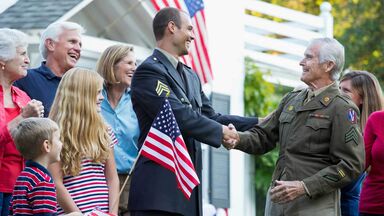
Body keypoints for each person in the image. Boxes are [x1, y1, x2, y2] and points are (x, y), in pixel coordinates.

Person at [129, 7, 259, 216]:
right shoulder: (148, 71)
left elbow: (212, 117)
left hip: (188, 196)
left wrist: (259, 122)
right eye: (189, 29)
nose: (193, 35)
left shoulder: (191, 76)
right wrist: (223, 133)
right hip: (158, 195)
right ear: (172, 27)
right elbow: (178, 114)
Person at [228, 38, 365, 215]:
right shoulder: (292, 99)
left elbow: (351, 165)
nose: (301, 62)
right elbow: (263, 137)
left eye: (309, 57)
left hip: (315, 206)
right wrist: (236, 138)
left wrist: (304, 187)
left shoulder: (342, 107)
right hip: (277, 204)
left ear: (328, 65)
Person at [48, 68, 119, 215]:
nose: (102, 98)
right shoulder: (54, 133)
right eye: (97, 92)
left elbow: (112, 178)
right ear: (82, 95)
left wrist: (112, 213)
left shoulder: (104, 131)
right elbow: (56, 182)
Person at [0, 28, 44, 215]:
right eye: (22, 54)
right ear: (2, 60)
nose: (28, 60)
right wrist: (23, 117)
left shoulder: (23, 96)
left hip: (23, 187)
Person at [96, 45, 139, 216]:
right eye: (129, 63)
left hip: (131, 181)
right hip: (98, 178)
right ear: (112, 65)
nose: (134, 68)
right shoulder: (95, 97)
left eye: (135, 63)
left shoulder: (137, 100)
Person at [14, 21, 84, 117]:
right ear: (51, 44)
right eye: (72, 42)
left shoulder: (81, 85)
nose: (78, 49)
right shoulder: (24, 79)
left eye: (80, 45)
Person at [339, 71, 384, 216]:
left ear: (363, 98)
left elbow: (353, 174)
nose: (338, 94)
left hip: (348, 203)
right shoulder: (376, 120)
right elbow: (356, 166)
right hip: (370, 205)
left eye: (345, 90)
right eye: (338, 89)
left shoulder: (360, 131)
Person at [9, 117, 62, 215]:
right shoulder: (43, 181)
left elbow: (12, 211)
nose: (61, 144)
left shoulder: (23, 177)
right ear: (47, 146)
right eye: (58, 139)